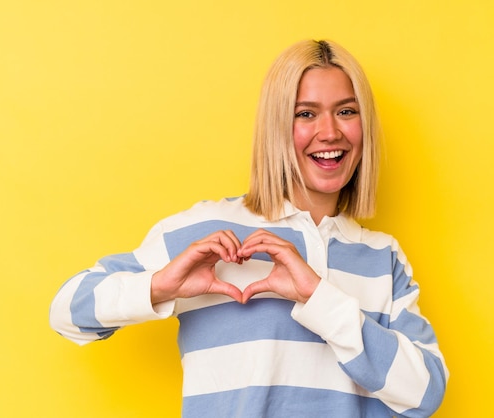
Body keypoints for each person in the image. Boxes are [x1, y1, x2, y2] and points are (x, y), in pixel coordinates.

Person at [50, 39, 449, 417]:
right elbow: (67, 312)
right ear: (276, 126)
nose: (330, 132)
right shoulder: (206, 232)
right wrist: (161, 286)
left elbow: (425, 394)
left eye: (346, 111)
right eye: (305, 113)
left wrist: (318, 297)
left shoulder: (381, 256)